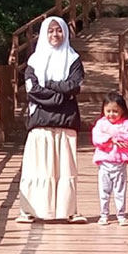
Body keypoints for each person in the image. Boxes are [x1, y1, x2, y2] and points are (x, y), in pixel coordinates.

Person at [15, 16, 87, 224]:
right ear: (44, 34)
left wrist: (50, 86)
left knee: (65, 167)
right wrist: (60, 95)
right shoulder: (34, 62)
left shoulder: (73, 59)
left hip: (65, 120)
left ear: (65, 33)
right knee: (37, 167)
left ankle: (68, 210)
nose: (55, 35)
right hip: (40, 120)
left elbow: (74, 85)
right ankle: (30, 210)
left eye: (59, 30)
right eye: (50, 31)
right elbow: (32, 90)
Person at [91, 93, 128, 226]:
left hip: (119, 163)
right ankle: (104, 214)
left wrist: (114, 136)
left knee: (120, 190)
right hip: (104, 162)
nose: (111, 114)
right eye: (108, 111)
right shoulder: (100, 123)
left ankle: (121, 214)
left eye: (115, 111)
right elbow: (97, 139)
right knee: (104, 190)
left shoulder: (127, 124)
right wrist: (110, 139)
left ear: (122, 110)